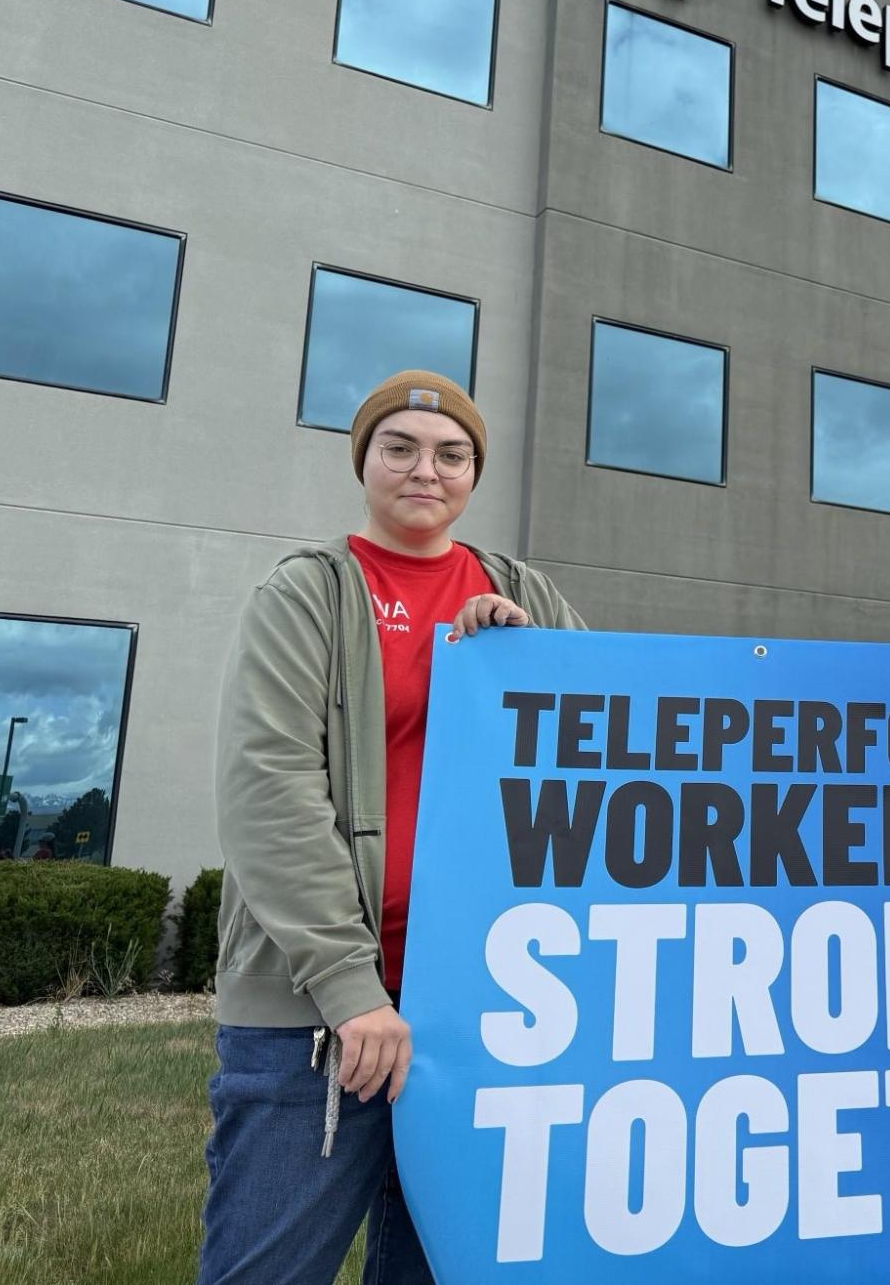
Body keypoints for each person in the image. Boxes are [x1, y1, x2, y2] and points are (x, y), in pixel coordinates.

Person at [199, 371, 583, 1285]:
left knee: (441, 1271)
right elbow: (269, 788)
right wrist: (348, 985)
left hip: (482, 1008)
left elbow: (594, 750)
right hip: (320, 1023)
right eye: (400, 448)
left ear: (475, 473)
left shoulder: (520, 589)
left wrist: (525, 654)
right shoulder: (308, 593)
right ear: (364, 460)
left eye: (452, 455)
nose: (426, 470)